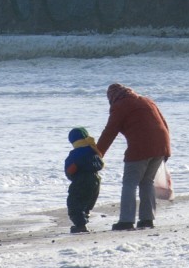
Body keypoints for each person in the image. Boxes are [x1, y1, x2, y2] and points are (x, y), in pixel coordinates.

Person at [97, 83, 171, 231]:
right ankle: (147, 219)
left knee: (129, 183)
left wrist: (97, 154)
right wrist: (166, 151)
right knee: (147, 181)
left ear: (112, 97)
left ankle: (126, 220)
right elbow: (164, 124)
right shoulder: (147, 100)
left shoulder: (120, 105)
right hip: (161, 145)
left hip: (141, 147)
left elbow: (109, 132)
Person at [63, 126, 104, 233]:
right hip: (95, 180)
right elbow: (101, 164)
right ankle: (83, 221)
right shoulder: (93, 150)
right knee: (87, 203)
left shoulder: (75, 153)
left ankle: (80, 225)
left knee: (74, 204)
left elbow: (70, 170)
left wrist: (72, 176)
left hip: (81, 181)